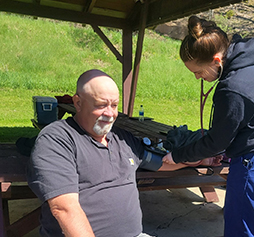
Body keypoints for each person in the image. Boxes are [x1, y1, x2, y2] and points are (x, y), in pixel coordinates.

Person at [162, 16, 254, 237]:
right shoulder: (251, 64)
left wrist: (178, 155)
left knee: (242, 231)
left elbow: (216, 141)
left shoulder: (233, 87)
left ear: (216, 60)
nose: (197, 77)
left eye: (199, 72)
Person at [26, 69, 187, 237]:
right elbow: (64, 209)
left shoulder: (123, 139)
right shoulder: (57, 139)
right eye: (101, 105)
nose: (110, 114)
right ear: (78, 103)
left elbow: (159, 162)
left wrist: (195, 161)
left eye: (114, 105)